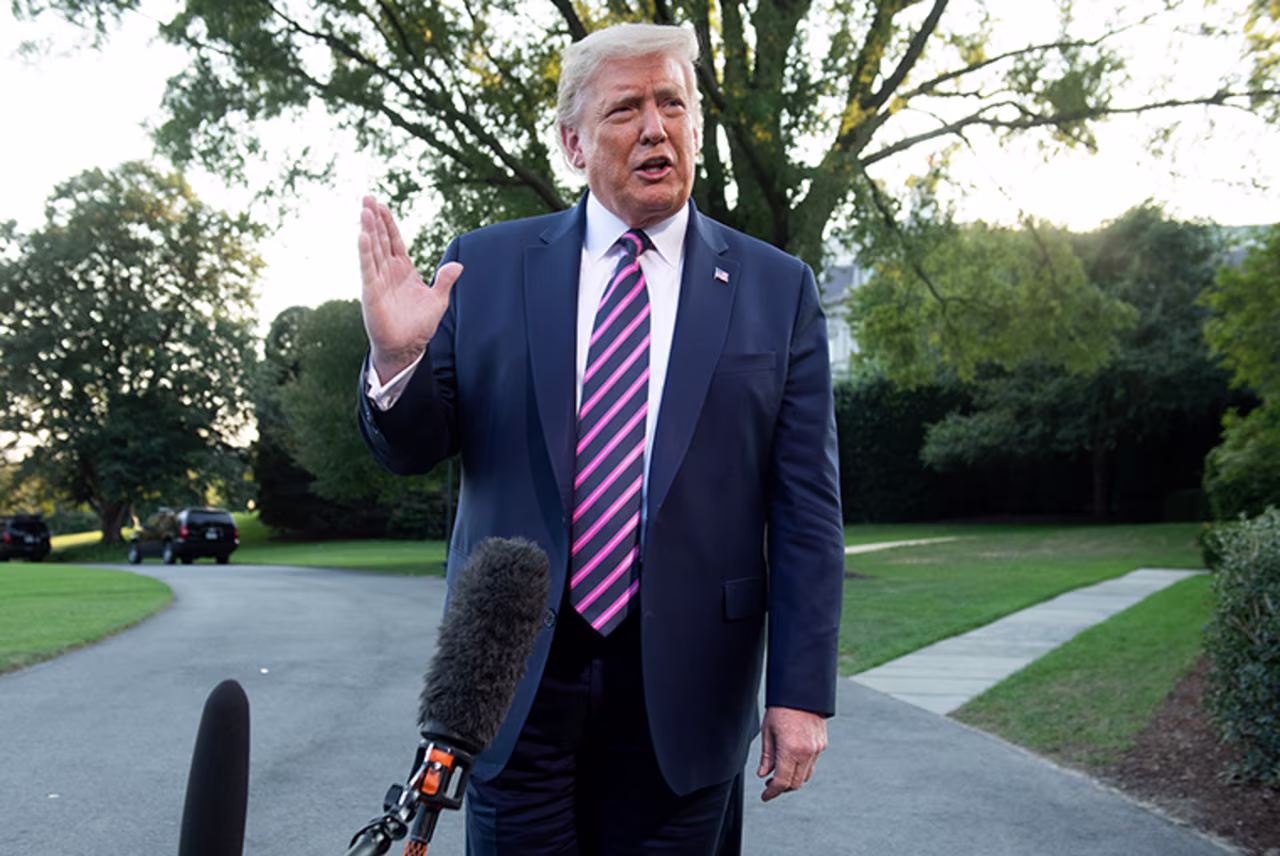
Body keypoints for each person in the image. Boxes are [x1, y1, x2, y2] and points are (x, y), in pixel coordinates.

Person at [357, 22, 844, 855]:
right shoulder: (487, 267)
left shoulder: (776, 288)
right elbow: (409, 449)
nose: (656, 128)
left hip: (691, 690)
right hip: (517, 683)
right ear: (574, 144)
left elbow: (806, 509)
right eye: (626, 108)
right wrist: (396, 357)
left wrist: (801, 693)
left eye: (673, 104)